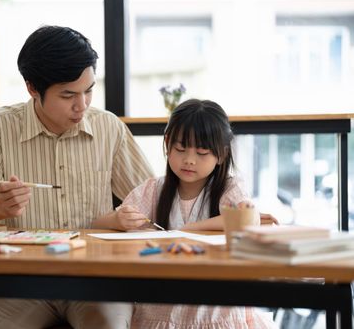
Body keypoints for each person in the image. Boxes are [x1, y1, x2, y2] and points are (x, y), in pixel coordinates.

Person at [0, 25, 154, 329]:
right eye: (68, 94)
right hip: (20, 284)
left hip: (95, 282)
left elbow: (153, 201)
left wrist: (128, 218)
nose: (81, 105)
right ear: (33, 88)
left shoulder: (108, 128)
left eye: (89, 91)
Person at [93, 98, 277, 328]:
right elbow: (98, 223)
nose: (189, 160)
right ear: (167, 143)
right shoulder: (154, 189)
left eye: (201, 152)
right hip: (160, 305)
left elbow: (249, 220)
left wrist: (191, 228)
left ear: (221, 154)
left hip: (214, 309)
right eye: (180, 149)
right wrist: (118, 219)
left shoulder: (229, 188)